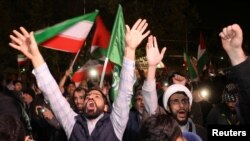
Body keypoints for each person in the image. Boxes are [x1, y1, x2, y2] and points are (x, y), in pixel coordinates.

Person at [9, 18, 150, 141]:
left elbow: (125, 92)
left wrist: (130, 50)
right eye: (88, 96)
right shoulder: (72, 122)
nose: (90, 98)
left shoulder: (115, 124)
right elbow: (52, 93)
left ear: (106, 106)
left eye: (96, 96)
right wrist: (35, 56)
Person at [142, 35, 207, 141]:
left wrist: (182, 87)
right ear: (168, 107)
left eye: (184, 101)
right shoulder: (161, 132)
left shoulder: (201, 133)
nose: (181, 105)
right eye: (175, 101)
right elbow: (150, 101)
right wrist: (152, 67)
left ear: (190, 106)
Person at [219, 24, 250, 124]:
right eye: (228, 101)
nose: (231, 104)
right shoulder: (217, 112)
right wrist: (236, 55)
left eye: (233, 101)